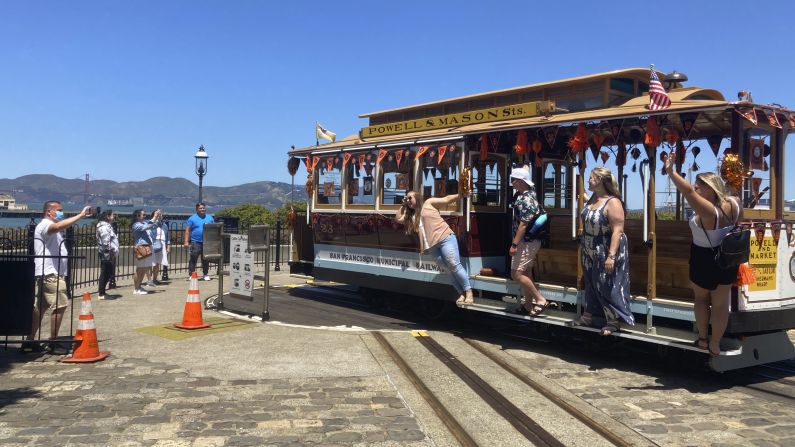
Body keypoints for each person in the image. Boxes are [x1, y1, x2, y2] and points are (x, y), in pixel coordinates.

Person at [664, 157, 741, 356]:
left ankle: (703, 339)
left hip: (703, 257)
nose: (696, 189)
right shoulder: (735, 203)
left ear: (709, 189)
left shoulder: (708, 212)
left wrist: (671, 172)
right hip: (727, 257)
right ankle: (715, 343)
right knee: (721, 303)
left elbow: (687, 192)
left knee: (700, 300)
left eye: (699, 187)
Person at [569, 167, 634, 335]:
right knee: (590, 281)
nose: (588, 181)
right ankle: (588, 315)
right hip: (589, 247)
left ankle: (613, 321)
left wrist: (611, 256)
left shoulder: (613, 202)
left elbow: (617, 231)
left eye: (591, 178)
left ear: (599, 180)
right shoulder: (593, 198)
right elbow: (592, 211)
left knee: (606, 283)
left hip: (605, 247)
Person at [24, 201, 92, 354]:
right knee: (60, 305)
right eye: (59, 210)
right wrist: (81, 215)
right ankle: (53, 342)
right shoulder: (45, 225)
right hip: (51, 274)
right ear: (49, 212)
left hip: (48, 273)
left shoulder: (50, 225)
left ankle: (29, 341)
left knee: (40, 308)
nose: (62, 213)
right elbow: (57, 227)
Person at [396, 190, 474, 304]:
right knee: (447, 270)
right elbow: (398, 219)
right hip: (432, 246)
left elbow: (446, 199)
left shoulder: (428, 203)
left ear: (417, 197)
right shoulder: (411, 216)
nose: (408, 200)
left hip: (445, 238)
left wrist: (461, 195)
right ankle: (461, 293)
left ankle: (469, 292)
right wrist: (402, 205)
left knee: (453, 264)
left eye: (410, 198)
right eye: (406, 199)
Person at [508, 166, 549, 316]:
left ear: (521, 182)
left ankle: (540, 300)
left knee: (516, 274)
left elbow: (523, 225)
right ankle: (527, 306)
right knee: (526, 273)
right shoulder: (528, 195)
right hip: (529, 241)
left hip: (527, 242)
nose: (512, 183)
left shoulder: (525, 199)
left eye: (515, 180)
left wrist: (514, 244)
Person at [132, 208, 161, 294]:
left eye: (145, 215)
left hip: (147, 247)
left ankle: (139, 287)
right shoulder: (136, 225)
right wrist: (154, 217)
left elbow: (154, 226)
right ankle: (136, 289)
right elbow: (147, 226)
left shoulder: (144, 223)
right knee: (139, 269)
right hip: (141, 247)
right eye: (143, 215)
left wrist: (158, 218)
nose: (145, 216)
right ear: (137, 216)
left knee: (144, 269)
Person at [184, 202, 214, 281]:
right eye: (200, 208)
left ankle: (205, 274)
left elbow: (214, 230)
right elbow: (187, 230)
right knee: (193, 259)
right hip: (195, 242)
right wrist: (186, 241)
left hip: (207, 242)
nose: (202, 209)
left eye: (203, 208)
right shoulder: (192, 218)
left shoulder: (210, 218)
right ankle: (192, 274)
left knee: (206, 259)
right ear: (197, 209)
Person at [95, 209, 119, 300]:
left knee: (108, 272)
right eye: (112, 215)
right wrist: (109, 251)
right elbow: (105, 241)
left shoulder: (106, 226)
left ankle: (103, 292)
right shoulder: (104, 227)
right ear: (107, 216)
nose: (114, 217)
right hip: (107, 253)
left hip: (107, 252)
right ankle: (101, 293)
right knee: (105, 272)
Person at [149, 211, 170, 285]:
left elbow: (167, 236)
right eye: (158, 214)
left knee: (158, 263)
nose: (160, 216)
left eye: (161, 214)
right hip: (154, 243)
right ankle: (149, 279)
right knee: (152, 263)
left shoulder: (164, 225)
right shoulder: (152, 224)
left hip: (162, 244)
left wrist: (168, 246)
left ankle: (154, 279)